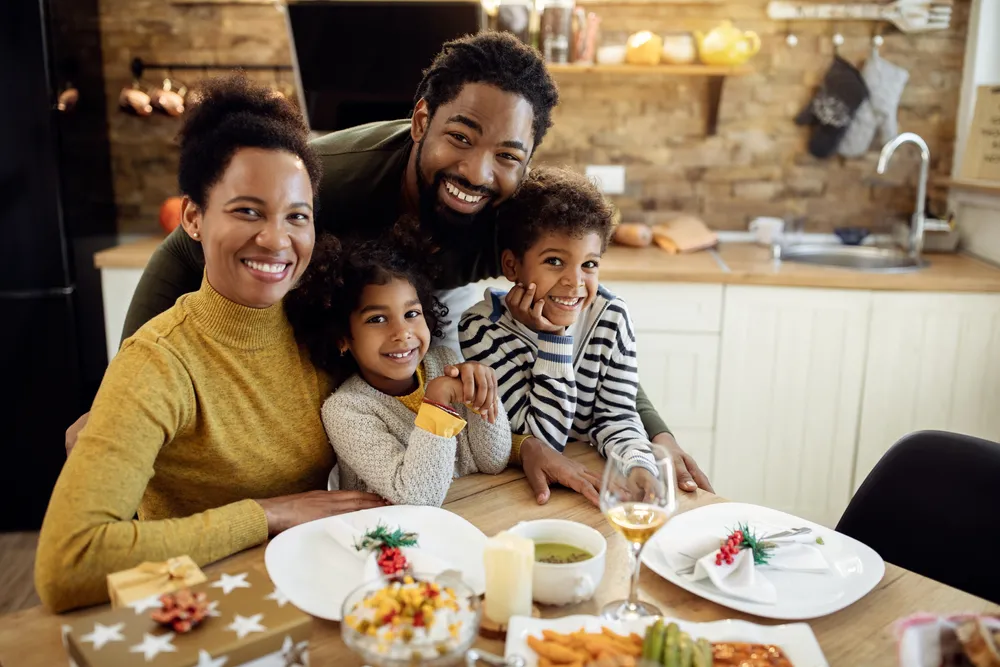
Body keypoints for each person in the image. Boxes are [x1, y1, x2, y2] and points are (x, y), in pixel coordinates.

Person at [70, 31, 710, 501]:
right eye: (460, 137)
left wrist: (652, 430)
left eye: (507, 155)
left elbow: (578, 302)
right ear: (422, 119)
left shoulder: (509, 217)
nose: (477, 172)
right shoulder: (331, 180)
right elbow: (183, 247)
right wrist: (118, 396)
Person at [35, 74, 386, 613]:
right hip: (200, 613)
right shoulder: (158, 360)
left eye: (297, 216)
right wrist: (268, 513)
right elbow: (69, 561)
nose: (276, 238)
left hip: (317, 595)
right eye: (248, 210)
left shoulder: (321, 325)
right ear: (194, 219)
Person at [286, 227, 511, 507]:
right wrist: (437, 404)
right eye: (377, 319)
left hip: (471, 512)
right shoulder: (347, 409)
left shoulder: (444, 363)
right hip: (390, 531)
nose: (403, 332)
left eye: (411, 313)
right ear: (342, 337)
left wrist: (485, 394)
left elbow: (493, 460)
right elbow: (417, 498)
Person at [459, 166, 658, 475]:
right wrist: (553, 338)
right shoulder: (482, 329)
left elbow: (618, 418)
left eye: (589, 264)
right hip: (522, 482)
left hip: (591, 472)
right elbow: (541, 443)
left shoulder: (611, 317)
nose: (574, 281)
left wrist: (639, 467)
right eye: (554, 261)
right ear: (512, 266)